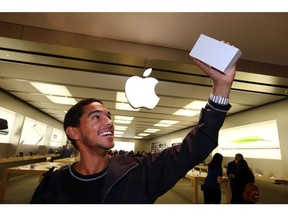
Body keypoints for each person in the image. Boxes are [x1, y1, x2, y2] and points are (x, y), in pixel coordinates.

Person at [30, 53, 237, 204]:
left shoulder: (139, 172)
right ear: (73, 132)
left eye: (109, 116)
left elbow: (195, 147)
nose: (109, 122)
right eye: (96, 117)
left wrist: (221, 87)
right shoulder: (52, 184)